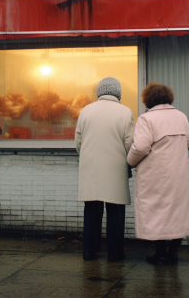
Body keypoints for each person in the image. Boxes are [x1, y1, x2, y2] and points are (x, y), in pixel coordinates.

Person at [127, 82, 189, 264]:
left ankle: (160, 253)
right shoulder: (181, 116)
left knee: (156, 211)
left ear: (148, 99)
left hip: (154, 174)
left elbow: (140, 147)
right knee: (178, 212)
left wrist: (129, 161)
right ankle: (173, 253)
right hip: (178, 174)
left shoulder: (146, 119)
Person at [75, 76, 134, 262]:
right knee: (115, 214)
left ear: (100, 92)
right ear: (118, 93)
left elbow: (78, 141)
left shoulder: (86, 110)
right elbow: (130, 143)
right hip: (115, 171)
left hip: (90, 170)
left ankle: (89, 252)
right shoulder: (125, 112)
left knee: (91, 213)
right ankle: (115, 254)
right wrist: (128, 162)